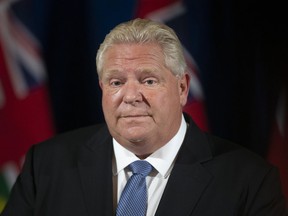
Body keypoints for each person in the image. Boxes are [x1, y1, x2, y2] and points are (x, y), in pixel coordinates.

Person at [1, 18, 287, 216]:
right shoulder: (46, 166)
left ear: (182, 88)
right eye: (116, 82)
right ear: (102, 88)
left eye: (148, 80)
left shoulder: (250, 182)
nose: (130, 95)